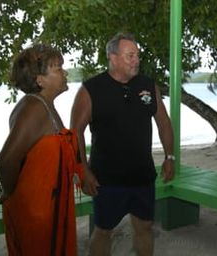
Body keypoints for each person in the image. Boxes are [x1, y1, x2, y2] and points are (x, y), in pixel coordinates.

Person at [71, 32, 174, 256]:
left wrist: (169, 157)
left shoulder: (148, 85)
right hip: (107, 179)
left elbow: (164, 123)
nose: (136, 60)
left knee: (145, 226)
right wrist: (83, 170)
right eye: (130, 56)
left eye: (137, 55)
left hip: (142, 176)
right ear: (113, 58)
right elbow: (75, 132)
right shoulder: (91, 90)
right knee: (104, 230)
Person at [0, 44, 83, 255]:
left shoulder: (43, 104)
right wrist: (10, 193)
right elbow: (7, 160)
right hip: (38, 214)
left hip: (48, 209)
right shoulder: (34, 109)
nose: (64, 72)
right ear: (40, 79)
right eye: (57, 68)